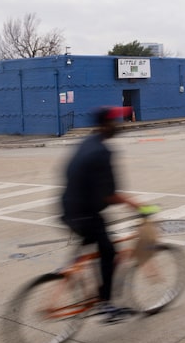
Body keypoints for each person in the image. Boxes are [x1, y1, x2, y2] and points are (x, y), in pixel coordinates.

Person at [61, 105, 142, 323]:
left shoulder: (86, 143)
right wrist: (139, 207)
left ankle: (71, 271)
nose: (118, 125)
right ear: (105, 125)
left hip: (68, 208)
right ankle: (107, 305)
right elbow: (111, 195)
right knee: (109, 253)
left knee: (89, 244)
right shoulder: (102, 152)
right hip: (85, 214)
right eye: (114, 121)